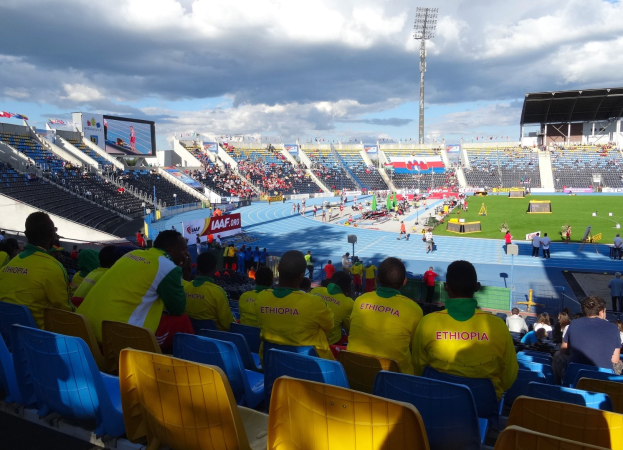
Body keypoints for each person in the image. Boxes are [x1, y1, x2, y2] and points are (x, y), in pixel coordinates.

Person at [413, 260, 518, 399]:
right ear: (477, 287)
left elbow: (418, 368)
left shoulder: (427, 322)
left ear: (445, 287)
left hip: (436, 402)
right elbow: (509, 376)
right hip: (483, 408)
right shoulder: (498, 326)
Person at [77, 230, 193, 351]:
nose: (185, 254)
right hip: (118, 338)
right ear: (170, 250)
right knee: (182, 321)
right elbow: (178, 309)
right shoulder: (168, 268)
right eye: (183, 250)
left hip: (87, 330)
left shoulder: (132, 254)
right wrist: (184, 274)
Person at [348, 257, 423, 374]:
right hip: (394, 382)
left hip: (353, 375)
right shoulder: (414, 310)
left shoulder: (360, 300)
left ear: (377, 278)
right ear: (404, 281)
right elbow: (415, 348)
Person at [255, 250, 334, 360]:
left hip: (272, 366)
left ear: (278, 269)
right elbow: (329, 326)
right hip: (313, 370)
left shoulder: (261, 298)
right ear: (301, 276)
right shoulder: (314, 302)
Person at [0, 212, 73, 328]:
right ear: (51, 235)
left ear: (26, 234)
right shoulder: (53, 267)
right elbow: (66, 312)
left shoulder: (7, 266)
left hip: (8, 337)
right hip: (41, 340)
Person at [557, 296, 621, 378]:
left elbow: (563, 349)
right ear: (601, 312)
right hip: (602, 378)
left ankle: (557, 385)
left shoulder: (574, 324)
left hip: (575, 375)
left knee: (557, 355)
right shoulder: (613, 328)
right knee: (619, 364)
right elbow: (615, 359)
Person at [184, 252, 234, 331]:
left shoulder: (185, 288)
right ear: (214, 270)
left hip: (191, 336)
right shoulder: (217, 292)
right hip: (216, 338)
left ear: (197, 268)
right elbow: (228, 324)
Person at [310, 271, 354, 345]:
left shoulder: (315, 290)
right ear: (348, 288)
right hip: (329, 345)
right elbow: (350, 330)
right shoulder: (348, 303)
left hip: (308, 338)